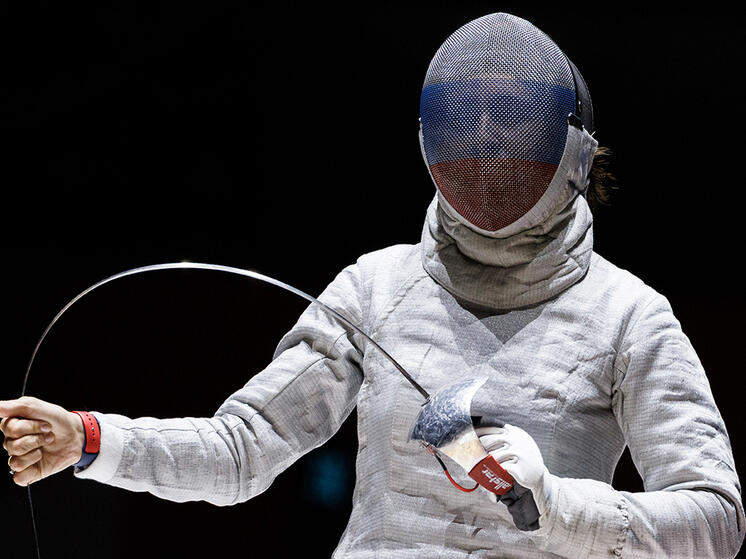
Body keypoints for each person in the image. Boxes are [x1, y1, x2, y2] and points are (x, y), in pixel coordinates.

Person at [1, 12, 744, 558]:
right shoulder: (375, 289)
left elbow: (715, 520)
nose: (488, 162)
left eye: (514, 140)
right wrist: (92, 439)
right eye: (469, 139)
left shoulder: (628, 316)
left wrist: (558, 504)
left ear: (574, 153)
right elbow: (243, 449)